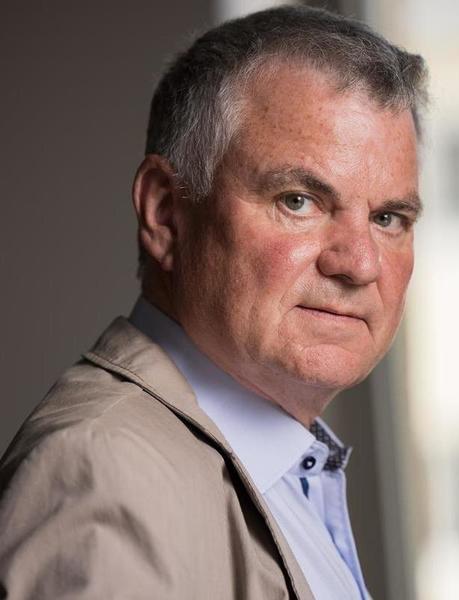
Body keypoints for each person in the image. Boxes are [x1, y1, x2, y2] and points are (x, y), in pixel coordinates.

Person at [0, 5, 427, 599]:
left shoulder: (282, 470)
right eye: (298, 201)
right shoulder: (104, 476)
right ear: (165, 212)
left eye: (388, 218)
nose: (359, 264)